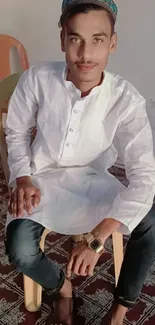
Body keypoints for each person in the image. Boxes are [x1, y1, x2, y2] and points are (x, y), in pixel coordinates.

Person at [5, 0, 155, 324]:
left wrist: (97, 237)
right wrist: (22, 177)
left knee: (151, 220)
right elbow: (15, 130)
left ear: (112, 43)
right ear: (62, 39)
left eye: (98, 40)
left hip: (93, 179)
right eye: (76, 39)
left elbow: (144, 177)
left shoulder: (126, 100)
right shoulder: (36, 80)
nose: (86, 55)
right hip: (42, 178)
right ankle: (62, 287)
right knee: (18, 247)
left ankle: (119, 309)